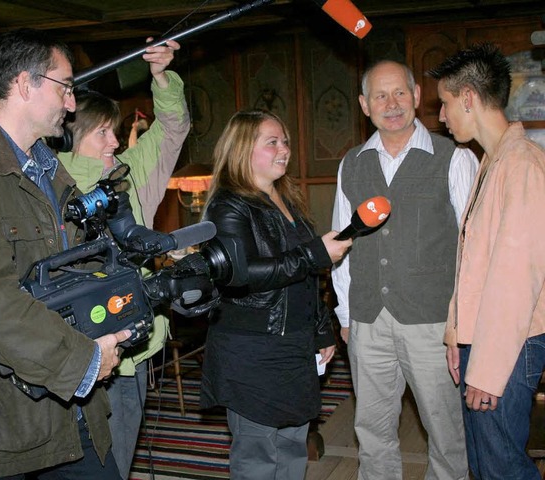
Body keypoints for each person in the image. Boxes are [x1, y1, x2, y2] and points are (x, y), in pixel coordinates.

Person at [0, 28, 133, 479]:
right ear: (24, 84)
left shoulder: (49, 170)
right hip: (1, 425)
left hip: (69, 411)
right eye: (65, 87)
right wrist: (84, 361)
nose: (72, 103)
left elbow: (72, 270)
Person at [331, 60, 479, 480]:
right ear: (364, 104)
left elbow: (473, 249)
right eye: (380, 95)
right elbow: (342, 243)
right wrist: (345, 315)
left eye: (399, 93)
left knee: (446, 433)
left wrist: (460, 322)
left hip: (434, 323)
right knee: (372, 433)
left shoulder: (455, 157)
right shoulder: (352, 163)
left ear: (417, 96)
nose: (391, 104)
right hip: (367, 320)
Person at [57, 39, 190, 479]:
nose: (116, 140)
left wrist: (162, 78)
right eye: (103, 132)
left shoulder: (128, 175)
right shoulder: (45, 184)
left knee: (121, 456)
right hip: (70, 354)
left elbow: (172, 128)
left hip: (129, 351)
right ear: (73, 137)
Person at [199, 109, 353, 480]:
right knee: (257, 457)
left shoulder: (286, 199)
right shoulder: (229, 204)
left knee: (291, 447)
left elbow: (303, 280)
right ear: (243, 149)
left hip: (291, 346)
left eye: (285, 141)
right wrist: (314, 253)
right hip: (253, 350)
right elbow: (240, 275)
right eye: (272, 142)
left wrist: (321, 331)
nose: (284, 148)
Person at [428, 43, 545, 480]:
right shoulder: (491, 162)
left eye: (444, 103)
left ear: (469, 99)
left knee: (502, 468)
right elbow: (475, 264)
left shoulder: (523, 166)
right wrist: (458, 338)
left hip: (509, 349)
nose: (441, 115)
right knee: (485, 465)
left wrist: (489, 371)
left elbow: (515, 282)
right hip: (487, 343)